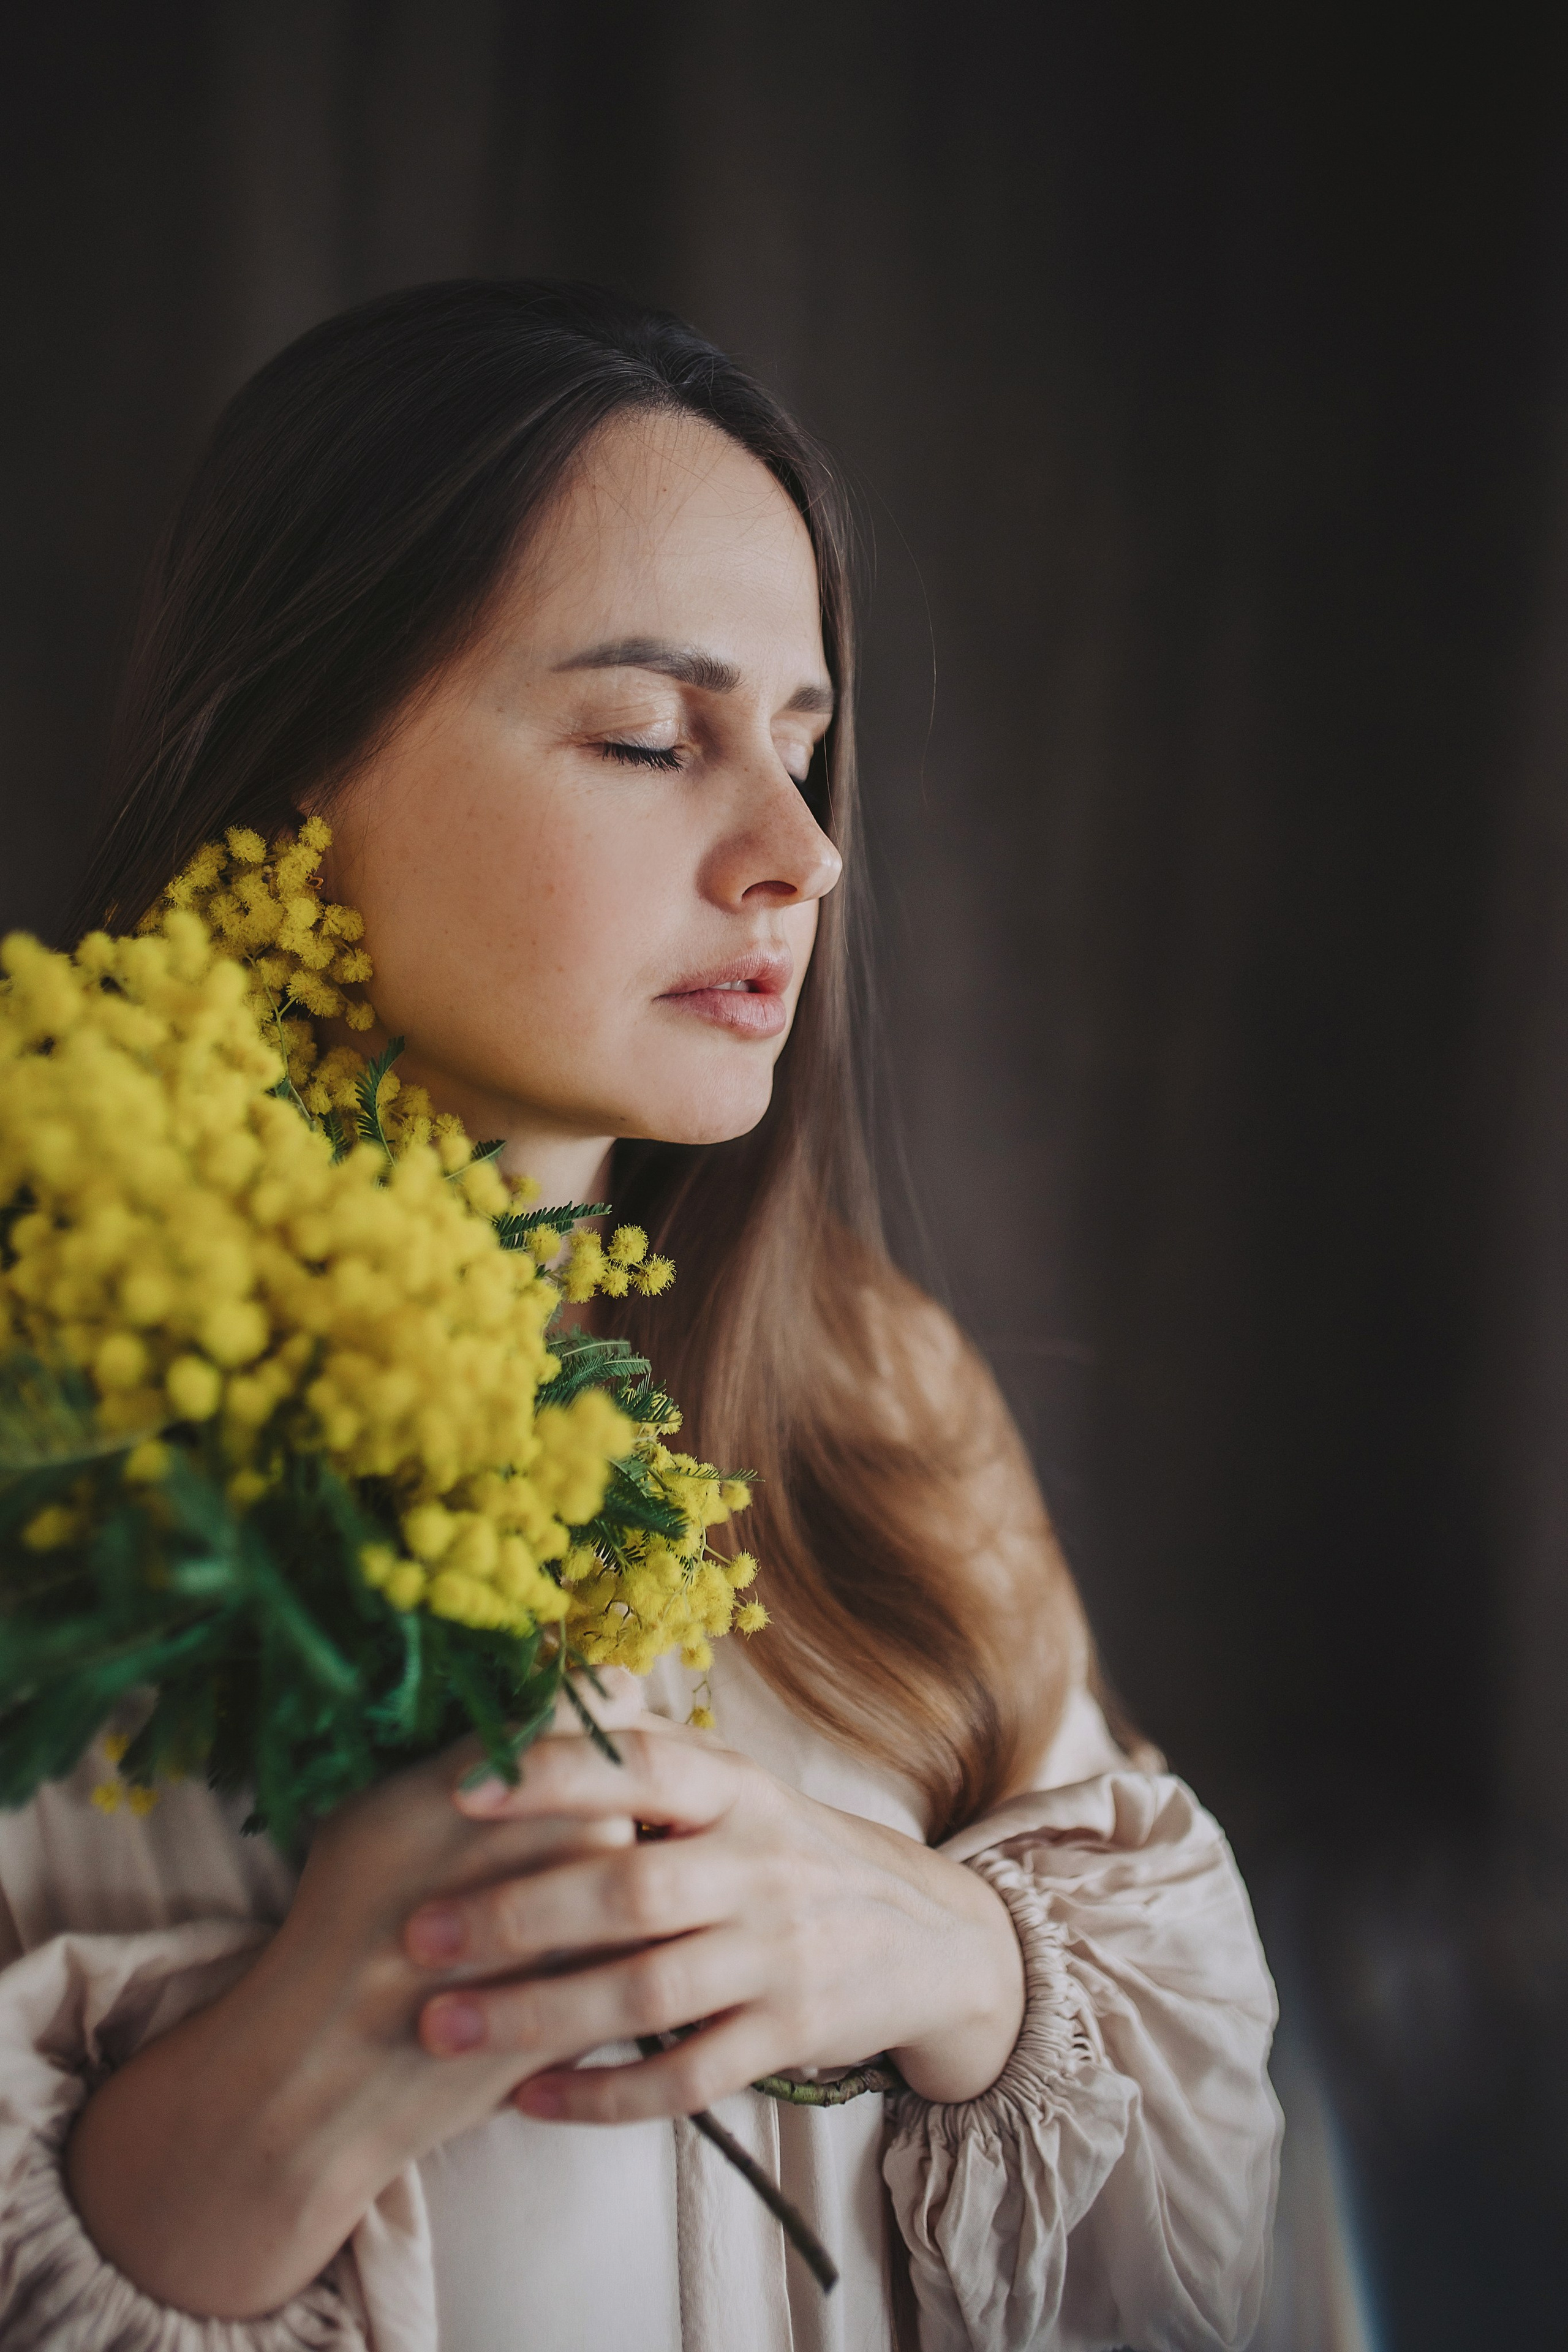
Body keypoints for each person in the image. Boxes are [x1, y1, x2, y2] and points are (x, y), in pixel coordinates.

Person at [0, 282, 1280, 2351]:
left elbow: (1200, 2257)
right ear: (286, 773)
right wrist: (293, 2079)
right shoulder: (49, 1432)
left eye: (804, 747)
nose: (801, 856)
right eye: (646, 739)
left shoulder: (873, 1386)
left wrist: (954, 1956)